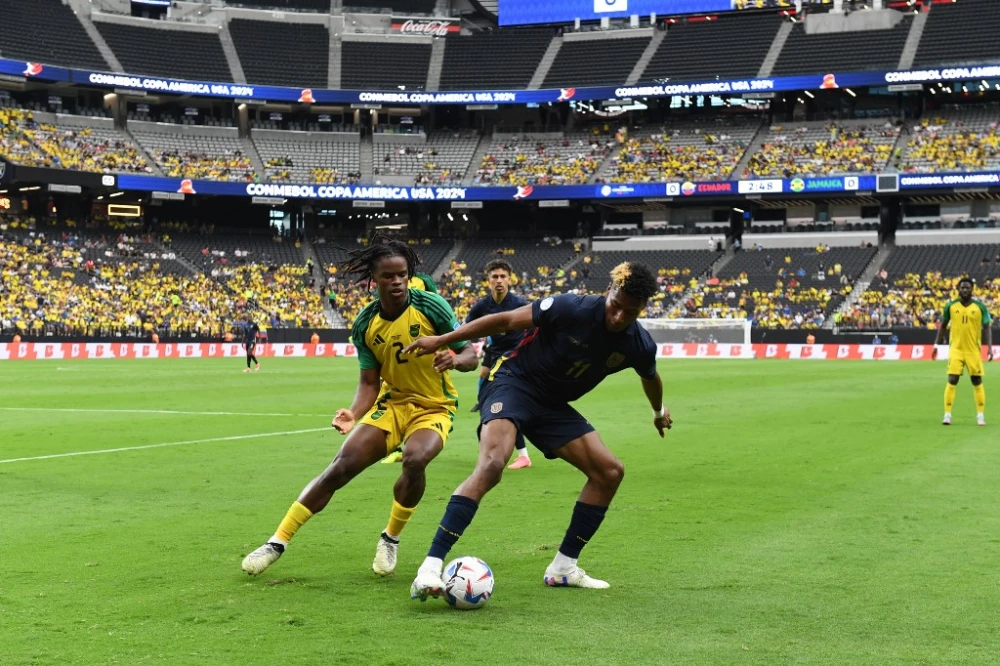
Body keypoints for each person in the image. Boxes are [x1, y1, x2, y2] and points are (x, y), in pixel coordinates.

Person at [405, 262, 672, 599]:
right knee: (492, 464)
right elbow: (503, 321)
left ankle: (563, 569)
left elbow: (651, 377)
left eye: (629, 313)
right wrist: (443, 340)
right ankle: (430, 568)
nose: (619, 317)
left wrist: (658, 412)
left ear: (642, 310)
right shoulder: (571, 307)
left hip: (551, 406)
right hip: (512, 382)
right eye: (615, 306)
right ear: (609, 292)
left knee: (609, 471)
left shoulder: (639, 343)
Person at [241, 236, 479, 578]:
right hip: (392, 404)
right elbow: (369, 382)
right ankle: (276, 542)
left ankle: (390, 537)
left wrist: (455, 359)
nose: (396, 281)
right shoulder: (366, 323)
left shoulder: (431, 306)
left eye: (402, 275)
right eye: (388, 276)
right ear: (374, 278)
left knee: (415, 458)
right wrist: (354, 413)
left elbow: (471, 355)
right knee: (340, 467)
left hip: (433, 407)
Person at [466, 259, 532, 469]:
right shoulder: (482, 306)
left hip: (514, 359)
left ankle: (522, 455)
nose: (499, 280)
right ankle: (493, 448)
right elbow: (466, 329)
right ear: (488, 281)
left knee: (505, 405)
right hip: (493, 354)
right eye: (495, 277)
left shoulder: (520, 304)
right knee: (486, 394)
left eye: (503, 276)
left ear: (510, 280)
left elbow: (537, 328)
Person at [932, 277, 993, 426]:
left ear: (972, 289)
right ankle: (947, 414)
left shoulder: (980, 307)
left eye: (967, 287)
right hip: (956, 350)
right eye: (962, 288)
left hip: (973, 350)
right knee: (952, 379)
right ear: (958, 290)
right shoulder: (951, 306)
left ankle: (980, 415)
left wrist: (990, 348)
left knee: (977, 381)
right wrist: (936, 345)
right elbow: (943, 325)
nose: (964, 290)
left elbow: (986, 327)